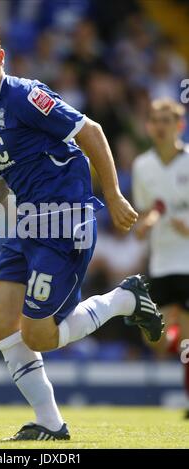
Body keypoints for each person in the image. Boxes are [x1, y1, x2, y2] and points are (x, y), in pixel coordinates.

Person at [0, 18, 163, 440]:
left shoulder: (24, 96)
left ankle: (123, 299)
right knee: (0, 317)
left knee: (37, 333)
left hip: (64, 224)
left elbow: (89, 130)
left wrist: (112, 194)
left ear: (0, 57)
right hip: (24, 223)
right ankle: (51, 424)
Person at [133, 98, 189, 418]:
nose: (160, 125)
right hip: (161, 264)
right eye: (155, 120)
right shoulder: (143, 165)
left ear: (178, 126)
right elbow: (146, 211)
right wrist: (144, 225)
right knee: (157, 338)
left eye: (166, 120)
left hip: (188, 263)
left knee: (187, 343)